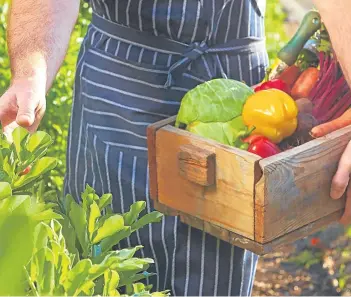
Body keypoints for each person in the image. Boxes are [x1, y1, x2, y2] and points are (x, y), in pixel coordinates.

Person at [0, 0, 349, 296]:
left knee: (216, 275)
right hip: (118, 90)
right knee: (106, 261)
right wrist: (30, 73)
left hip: (237, 91)